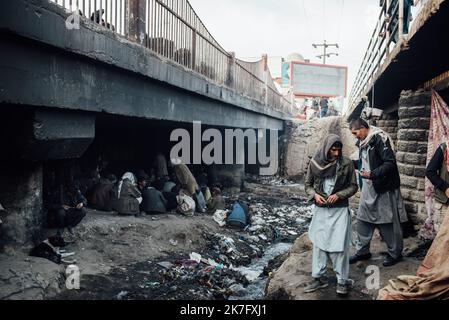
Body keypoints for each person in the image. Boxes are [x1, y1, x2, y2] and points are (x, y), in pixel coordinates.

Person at [303, 134, 358, 296]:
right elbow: (308, 185)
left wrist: (339, 195)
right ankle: (318, 278)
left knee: (338, 246)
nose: (336, 153)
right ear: (327, 148)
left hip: (339, 211)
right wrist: (315, 195)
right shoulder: (315, 163)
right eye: (333, 150)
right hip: (321, 210)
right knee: (319, 244)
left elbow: (354, 186)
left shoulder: (346, 164)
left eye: (338, 150)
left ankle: (342, 281)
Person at [349, 118, 408, 267]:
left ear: (363, 128)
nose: (355, 136)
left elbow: (390, 163)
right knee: (362, 220)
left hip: (382, 188)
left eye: (356, 133)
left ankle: (395, 254)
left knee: (387, 222)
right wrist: (349, 163)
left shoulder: (380, 139)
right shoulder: (363, 143)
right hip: (368, 189)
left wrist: (373, 174)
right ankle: (362, 251)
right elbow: (364, 162)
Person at [425, 142, 449, 233]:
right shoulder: (444, 148)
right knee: (442, 241)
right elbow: (430, 172)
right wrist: (445, 188)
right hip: (444, 203)